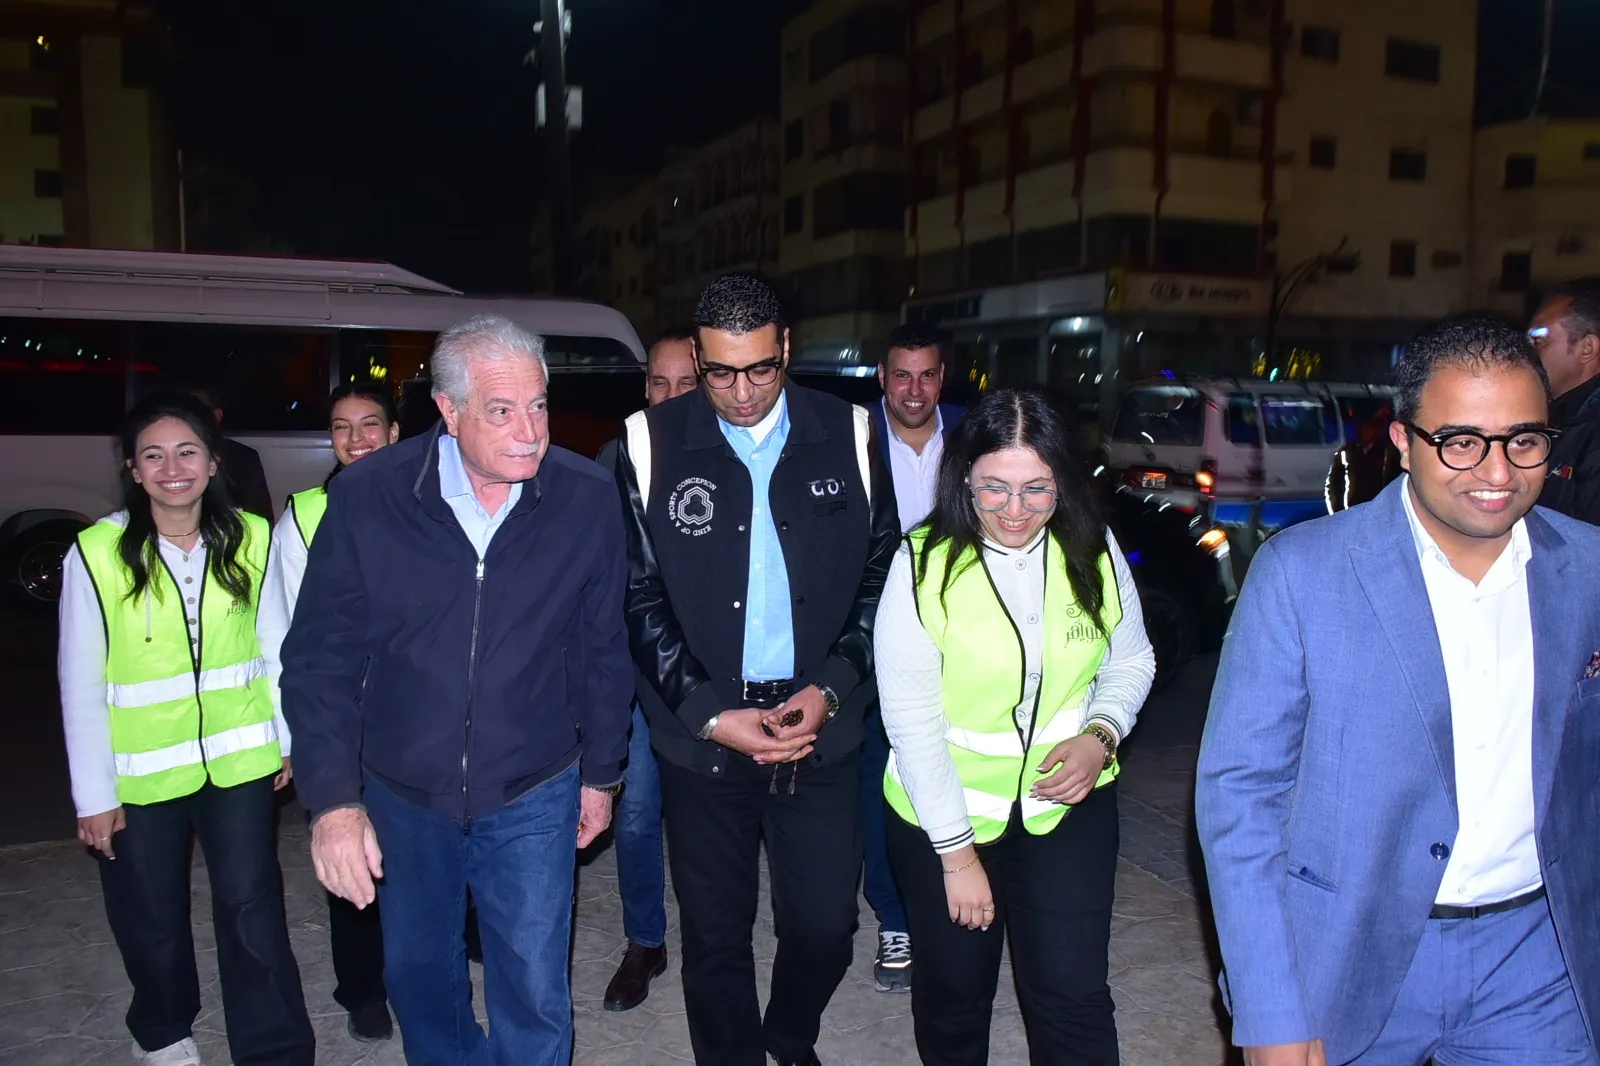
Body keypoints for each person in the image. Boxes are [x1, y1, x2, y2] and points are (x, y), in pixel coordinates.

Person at [1197, 316, 1600, 1066]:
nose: (1498, 471)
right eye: (1461, 442)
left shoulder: (1589, 568)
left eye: (1523, 440)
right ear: (1405, 442)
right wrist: (1269, 1007)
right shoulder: (1302, 573)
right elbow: (1241, 797)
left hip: (1538, 960)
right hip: (1348, 952)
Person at [279, 314, 633, 1066]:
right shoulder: (370, 496)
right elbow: (319, 660)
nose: (530, 432)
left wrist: (602, 774)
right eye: (502, 410)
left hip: (535, 783)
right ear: (448, 409)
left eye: (539, 405)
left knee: (533, 985)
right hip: (402, 791)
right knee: (418, 977)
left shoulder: (585, 496)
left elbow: (603, 646)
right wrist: (334, 802)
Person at [614, 273, 900, 1066]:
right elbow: (637, 596)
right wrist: (707, 710)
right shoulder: (647, 442)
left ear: (786, 349)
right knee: (714, 934)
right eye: (719, 373)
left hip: (819, 726)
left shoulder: (850, 434)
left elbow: (884, 574)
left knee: (826, 925)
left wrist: (833, 687)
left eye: (760, 369)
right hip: (702, 733)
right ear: (696, 357)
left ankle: (789, 1033)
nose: (741, 393)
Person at [874, 388, 1154, 1065]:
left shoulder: (1093, 548)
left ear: (1063, 482)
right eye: (994, 488)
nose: (1015, 510)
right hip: (945, 818)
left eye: (1036, 489)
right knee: (954, 999)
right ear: (964, 478)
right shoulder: (923, 565)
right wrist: (957, 856)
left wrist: (1102, 735)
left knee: (1073, 997)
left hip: (1066, 811)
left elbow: (1132, 660)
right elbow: (912, 725)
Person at [58, 390, 314, 1066]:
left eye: (187, 452)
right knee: (150, 910)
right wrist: (94, 795)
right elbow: (79, 681)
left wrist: (286, 739)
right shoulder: (97, 552)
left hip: (240, 757)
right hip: (139, 771)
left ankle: (274, 1046)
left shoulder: (252, 537)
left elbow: (276, 646)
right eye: (154, 456)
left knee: (252, 906)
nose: (173, 469)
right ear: (133, 469)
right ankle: (164, 1029)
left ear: (213, 460)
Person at [269, 381, 399, 1043]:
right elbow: (290, 632)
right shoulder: (306, 514)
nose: (356, 439)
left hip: (415, 710)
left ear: (395, 432)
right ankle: (363, 988)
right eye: (342, 428)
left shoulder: (427, 499)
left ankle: (454, 944)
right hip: (347, 717)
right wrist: (295, 737)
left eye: (370, 424)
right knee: (352, 845)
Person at [593, 324, 698, 1012]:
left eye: (686, 382)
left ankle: (717, 940)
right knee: (635, 816)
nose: (671, 395)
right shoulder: (617, 454)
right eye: (659, 382)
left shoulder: (733, 451)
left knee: (707, 821)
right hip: (636, 669)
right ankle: (645, 942)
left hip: (712, 675)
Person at [860, 322, 966, 993]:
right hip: (876, 637)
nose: (915, 390)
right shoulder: (852, 438)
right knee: (885, 778)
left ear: (942, 377)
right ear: (882, 377)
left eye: (927, 375)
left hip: (963, 636)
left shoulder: (973, 435)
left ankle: (954, 904)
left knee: (956, 769)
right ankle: (894, 917)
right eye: (902, 375)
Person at [1529, 277, 1600, 524]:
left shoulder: (1591, 431)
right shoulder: (1558, 418)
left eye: (1538, 341)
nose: (1525, 355)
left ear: (1587, 348)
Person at [191, 386, 275, 522]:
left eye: (199, 411)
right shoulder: (168, 465)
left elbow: (261, 517)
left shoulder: (244, 458)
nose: (189, 418)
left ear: (217, 415)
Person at [1324, 408, 1402, 514]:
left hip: (1377, 510)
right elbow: (1332, 485)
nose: (1366, 431)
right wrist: (1336, 512)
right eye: (1364, 427)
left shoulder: (1388, 453)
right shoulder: (1347, 453)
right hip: (1351, 511)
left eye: (1372, 427)